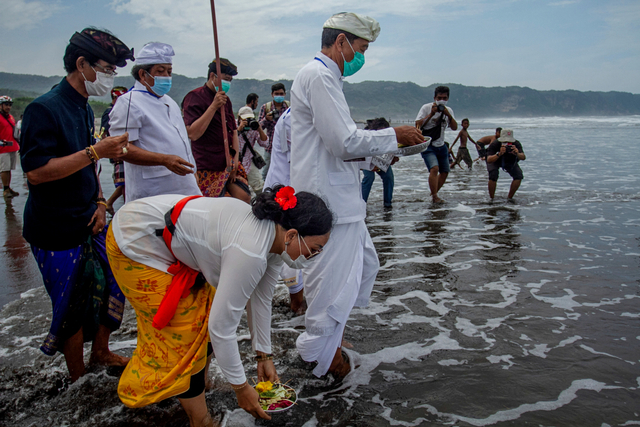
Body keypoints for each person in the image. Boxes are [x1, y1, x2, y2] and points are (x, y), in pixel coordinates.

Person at [106, 185, 333, 426]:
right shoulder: (251, 251)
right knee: (186, 333)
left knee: (207, 311)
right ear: (291, 235)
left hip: (160, 232)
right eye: (314, 250)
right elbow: (221, 328)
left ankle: (198, 386)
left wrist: (263, 355)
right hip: (133, 240)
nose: (313, 256)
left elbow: (261, 300)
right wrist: (241, 387)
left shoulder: (274, 240)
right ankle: (200, 419)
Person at [290, 12, 424, 379]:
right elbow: (343, 140)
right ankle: (320, 356)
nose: (361, 57)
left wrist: (387, 152)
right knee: (330, 285)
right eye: (360, 49)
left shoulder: (328, 79)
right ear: (341, 42)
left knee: (363, 269)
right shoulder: (318, 76)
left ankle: (332, 338)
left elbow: (340, 144)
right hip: (327, 202)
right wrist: (393, 134)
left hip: (341, 198)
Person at [19, 27, 133, 382]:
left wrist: (100, 201)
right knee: (72, 302)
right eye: (107, 69)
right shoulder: (44, 109)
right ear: (82, 65)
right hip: (55, 227)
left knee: (115, 280)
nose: (110, 76)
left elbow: (89, 167)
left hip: (89, 216)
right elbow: (36, 173)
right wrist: (97, 150)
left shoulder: (84, 107)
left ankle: (100, 350)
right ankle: (77, 376)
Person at [109, 42, 201, 203]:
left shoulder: (170, 102)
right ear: (143, 74)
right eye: (160, 71)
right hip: (153, 191)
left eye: (169, 71)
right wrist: (163, 159)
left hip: (185, 188)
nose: (166, 76)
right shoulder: (129, 102)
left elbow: (182, 140)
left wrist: (193, 171)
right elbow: (120, 148)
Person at [183, 58, 251, 203]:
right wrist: (213, 106)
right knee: (222, 206)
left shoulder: (226, 100)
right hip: (208, 166)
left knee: (244, 199)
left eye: (230, 81)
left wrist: (235, 161)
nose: (228, 84)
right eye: (226, 79)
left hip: (228, 163)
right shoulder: (194, 97)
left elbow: (233, 131)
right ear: (213, 76)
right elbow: (193, 134)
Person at [263, 108, 306, 314]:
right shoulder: (292, 119)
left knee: (282, 249)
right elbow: (304, 153)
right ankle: (296, 302)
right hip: (284, 192)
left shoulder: (293, 115)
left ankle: (295, 300)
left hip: (287, 189)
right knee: (288, 247)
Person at [415, 86, 458, 203]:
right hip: (427, 144)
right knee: (434, 168)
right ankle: (434, 196)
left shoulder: (448, 110)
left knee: (445, 171)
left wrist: (448, 115)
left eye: (444, 98)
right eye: (439, 98)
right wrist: (431, 114)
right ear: (435, 98)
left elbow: (454, 127)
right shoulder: (426, 107)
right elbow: (417, 124)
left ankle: (433, 194)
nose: (442, 100)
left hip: (441, 145)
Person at [101, 86, 128, 214]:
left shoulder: (122, 110)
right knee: (123, 182)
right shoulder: (110, 112)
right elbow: (106, 133)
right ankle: (113, 204)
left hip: (125, 149)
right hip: (118, 150)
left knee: (126, 181)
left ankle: (112, 203)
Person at [361, 118, 397, 208]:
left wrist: (393, 157)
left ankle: (388, 204)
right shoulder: (366, 137)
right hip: (366, 158)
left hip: (380, 158)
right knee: (369, 177)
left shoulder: (389, 136)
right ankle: (361, 204)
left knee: (389, 177)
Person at [258, 82, 289, 180]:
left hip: (287, 146)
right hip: (270, 146)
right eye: (276, 94)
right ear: (272, 94)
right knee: (266, 172)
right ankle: (265, 193)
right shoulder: (266, 107)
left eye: (281, 94)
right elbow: (259, 127)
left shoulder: (289, 107)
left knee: (286, 171)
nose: (279, 96)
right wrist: (266, 119)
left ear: (285, 94)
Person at [237, 103, 268, 195]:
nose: (247, 121)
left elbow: (265, 143)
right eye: (244, 118)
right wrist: (239, 129)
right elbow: (228, 140)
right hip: (235, 162)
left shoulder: (253, 127)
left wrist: (259, 129)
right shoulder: (233, 126)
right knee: (238, 188)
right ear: (239, 118)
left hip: (249, 162)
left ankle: (262, 204)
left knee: (259, 187)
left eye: (249, 118)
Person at [486, 128, 526, 200]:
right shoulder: (495, 144)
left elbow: (523, 157)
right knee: (493, 174)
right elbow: (489, 160)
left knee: (518, 175)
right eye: (505, 142)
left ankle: (510, 197)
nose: (507, 144)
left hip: (509, 160)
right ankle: (492, 198)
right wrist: (499, 154)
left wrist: (517, 153)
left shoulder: (516, 144)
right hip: (495, 160)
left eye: (509, 142)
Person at [0, 96, 20, 198]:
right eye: (6, 105)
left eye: (9, 105)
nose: (8, 107)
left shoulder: (11, 117)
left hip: (12, 146)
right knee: (4, 169)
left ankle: (8, 187)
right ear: (1, 105)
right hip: (3, 148)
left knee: (9, 169)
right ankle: (5, 189)